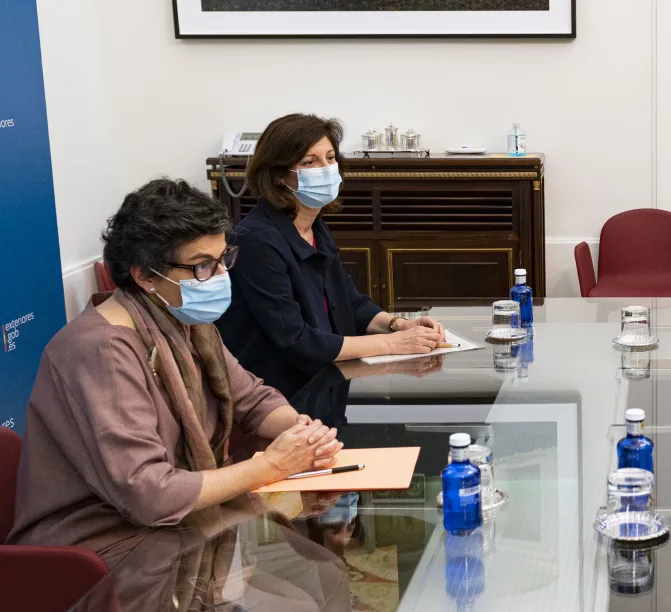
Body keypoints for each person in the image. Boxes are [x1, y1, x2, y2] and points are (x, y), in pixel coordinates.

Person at [6, 179, 344, 560]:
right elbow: (149, 492)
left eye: (223, 259)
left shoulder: (186, 321)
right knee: (315, 575)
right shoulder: (101, 351)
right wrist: (272, 465)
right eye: (203, 266)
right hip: (98, 550)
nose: (220, 276)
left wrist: (304, 434)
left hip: (168, 526)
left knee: (317, 570)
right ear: (144, 274)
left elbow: (251, 397)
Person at [217, 113, 446, 396]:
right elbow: (296, 340)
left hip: (326, 383)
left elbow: (349, 303)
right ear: (278, 176)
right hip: (277, 395)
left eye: (330, 158)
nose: (325, 169)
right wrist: (392, 344)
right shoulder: (256, 240)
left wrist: (399, 325)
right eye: (309, 162)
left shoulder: (314, 227)